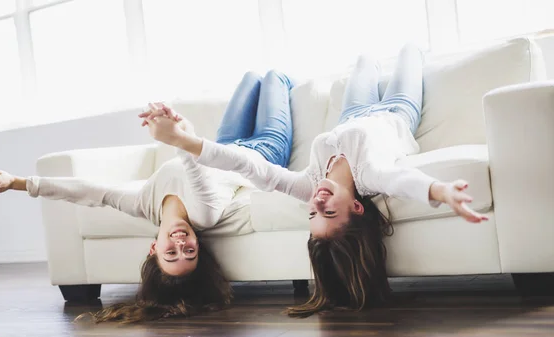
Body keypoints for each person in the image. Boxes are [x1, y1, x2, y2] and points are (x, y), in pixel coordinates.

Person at [143, 44, 488, 318]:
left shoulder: (309, 186)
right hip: (397, 110)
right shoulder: (371, 175)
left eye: (312, 215)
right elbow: (403, 180)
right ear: (355, 206)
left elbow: (251, 168)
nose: (317, 204)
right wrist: (441, 191)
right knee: (410, 52)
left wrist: (184, 142)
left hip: (350, 115)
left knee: (364, 59)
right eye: (329, 213)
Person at [0, 70, 295, 323]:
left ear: (153, 248)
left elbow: (90, 191)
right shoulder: (204, 214)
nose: (180, 244)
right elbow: (190, 157)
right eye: (190, 253)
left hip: (224, 143)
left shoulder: (143, 203)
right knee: (273, 77)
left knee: (252, 78)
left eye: (171, 254)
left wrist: (18, 183)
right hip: (265, 151)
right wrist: (176, 130)